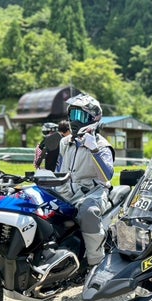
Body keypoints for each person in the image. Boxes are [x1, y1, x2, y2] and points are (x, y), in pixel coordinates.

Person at [56, 93, 114, 270]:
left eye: (80, 116)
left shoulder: (102, 145)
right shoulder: (65, 142)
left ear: (93, 118)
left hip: (93, 193)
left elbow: (107, 176)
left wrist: (93, 150)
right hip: (66, 191)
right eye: (72, 115)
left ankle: (96, 263)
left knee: (88, 212)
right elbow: (58, 169)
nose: (74, 121)